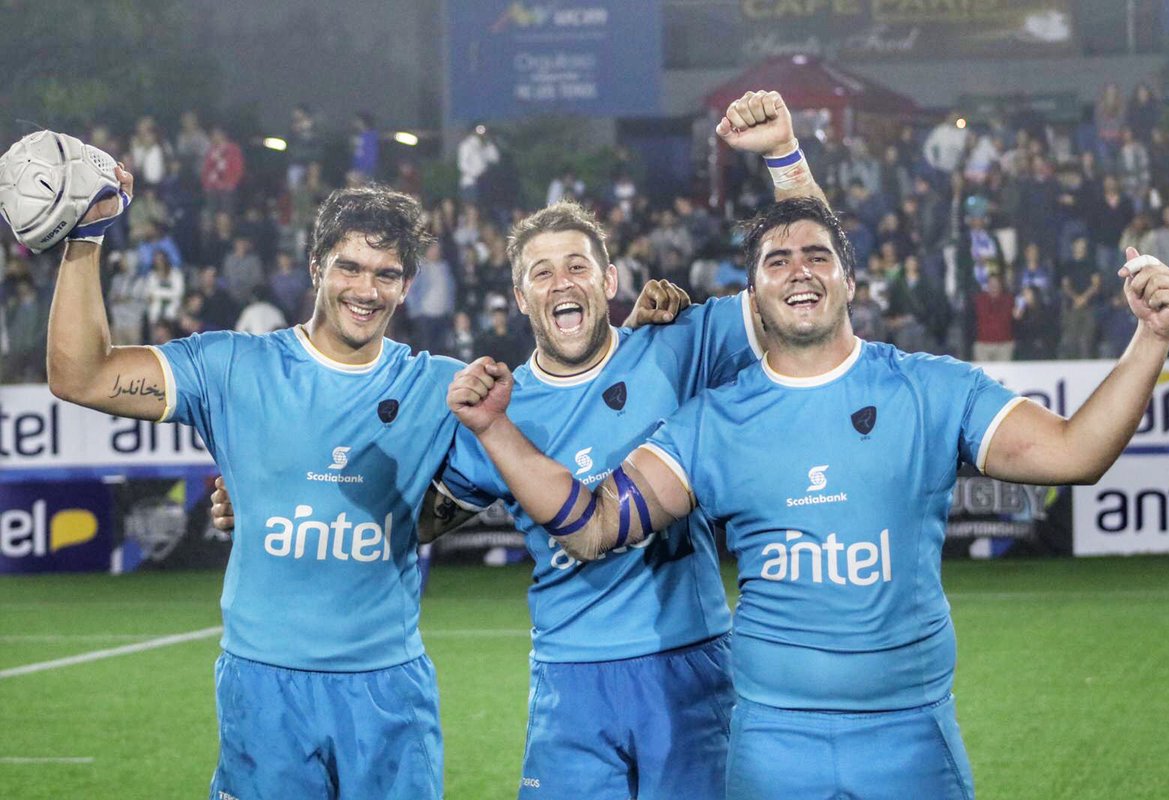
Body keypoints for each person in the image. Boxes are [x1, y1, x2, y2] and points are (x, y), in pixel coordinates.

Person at [447, 197, 1169, 800]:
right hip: (772, 745)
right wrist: (494, 429)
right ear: (755, 294)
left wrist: (1152, 337)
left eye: (818, 256)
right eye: (777, 260)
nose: (799, 271)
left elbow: (1077, 454)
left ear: (850, 280)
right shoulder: (715, 420)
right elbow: (595, 525)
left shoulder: (929, 388)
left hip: (910, 735)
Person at [211, 90, 826, 800]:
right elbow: (408, 523)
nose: (561, 281)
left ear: (610, 281)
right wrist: (264, 501)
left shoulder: (679, 344)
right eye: (541, 271)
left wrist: (784, 156)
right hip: (568, 684)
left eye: (576, 265)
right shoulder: (498, 408)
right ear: (518, 295)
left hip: (686, 668)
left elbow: (807, 281)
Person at [40, 168, 458, 798]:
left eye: (386, 274)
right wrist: (87, 236)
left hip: (387, 690)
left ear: (407, 286)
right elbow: (81, 376)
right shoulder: (232, 366)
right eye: (349, 267)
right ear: (315, 267)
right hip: (265, 689)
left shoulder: (441, 387)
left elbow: (517, 467)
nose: (365, 290)